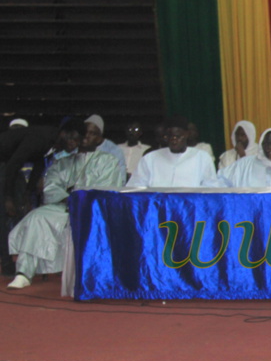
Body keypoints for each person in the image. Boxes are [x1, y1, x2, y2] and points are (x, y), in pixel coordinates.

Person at [8, 117, 124, 289]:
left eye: (92, 134)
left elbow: (106, 190)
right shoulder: (63, 162)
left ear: (99, 138)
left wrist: (77, 197)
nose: (86, 138)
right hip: (63, 208)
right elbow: (51, 186)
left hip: (92, 211)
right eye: (84, 133)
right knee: (37, 217)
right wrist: (69, 198)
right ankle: (23, 273)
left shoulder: (109, 161)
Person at [127, 117, 218, 188]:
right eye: (170, 136)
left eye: (178, 136)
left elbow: (211, 188)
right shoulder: (150, 159)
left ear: (186, 135)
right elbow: (135, 187)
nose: (174, 140)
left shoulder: (202, 157)